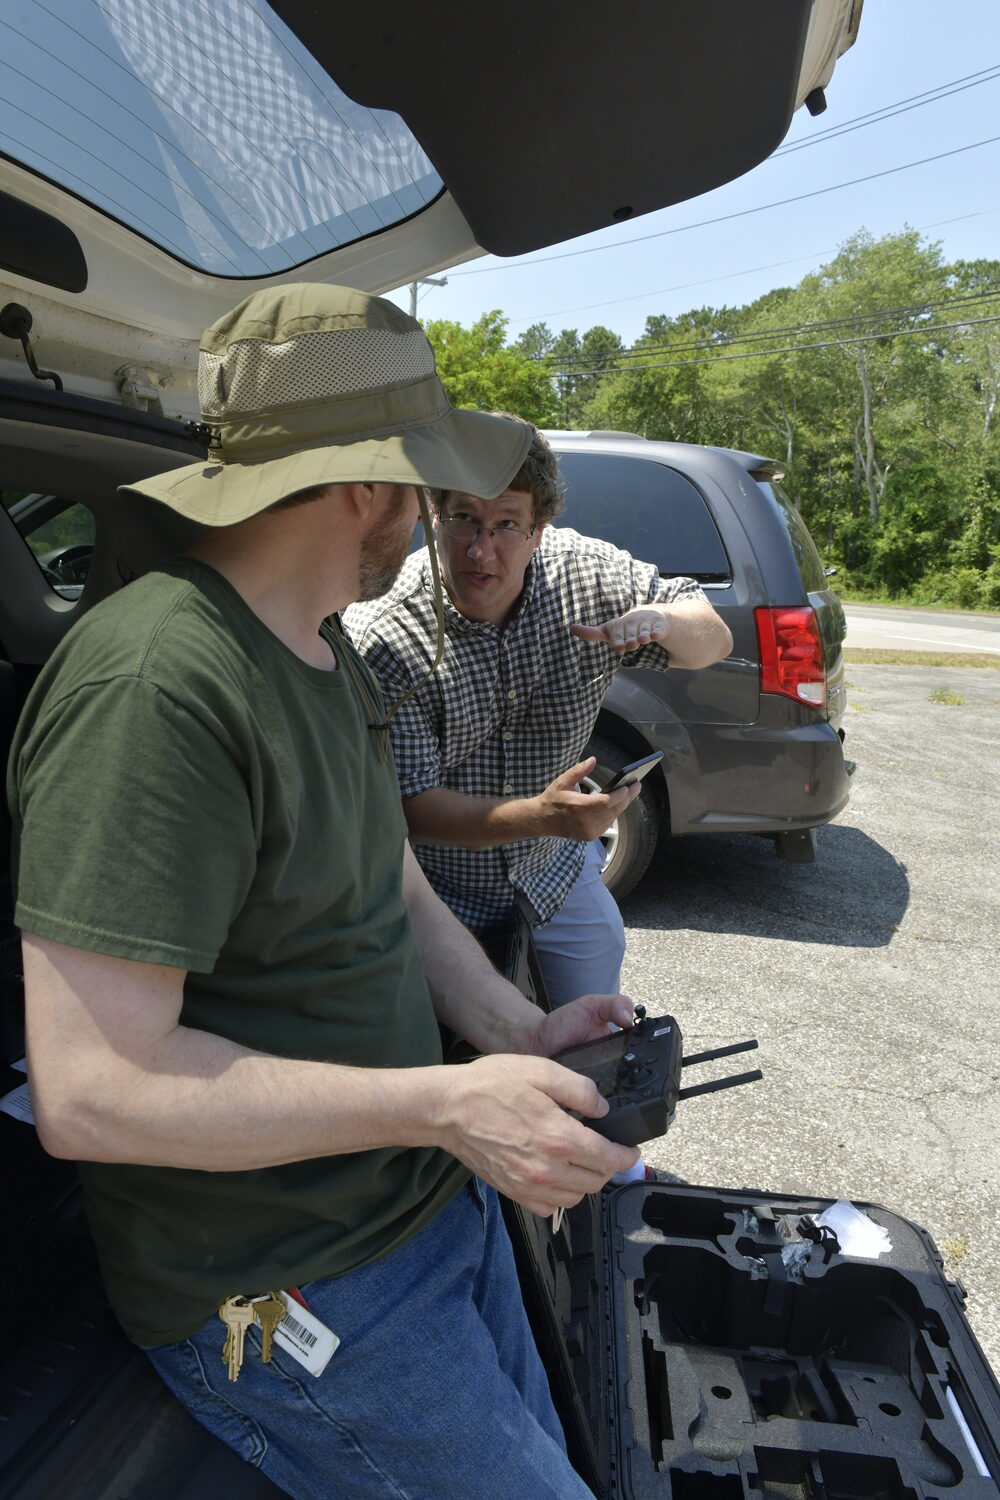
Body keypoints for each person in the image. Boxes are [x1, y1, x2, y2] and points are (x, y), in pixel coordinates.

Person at [7, 285, 644, 1500]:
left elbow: (388, 878)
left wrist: (515, 1033)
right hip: (276, 1284)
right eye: (420, 483)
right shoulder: (156, 683)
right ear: (368, 485)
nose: (429, 519)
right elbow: (92, 1094)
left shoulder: (320, 639)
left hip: (416, 1212)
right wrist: (444, 1107)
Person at [344, 418, 733, 1014]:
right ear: (432, 514)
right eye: (464, 520)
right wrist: (541, 816)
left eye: (506, 525)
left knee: (594, 1034)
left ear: (539, 530)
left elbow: (714, 638)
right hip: (433, 892)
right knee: (455, 1060)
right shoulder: (386, 633)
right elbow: (410, 811)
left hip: (555, 873)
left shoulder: (589, 576)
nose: (481, 549)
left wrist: (666, 622)